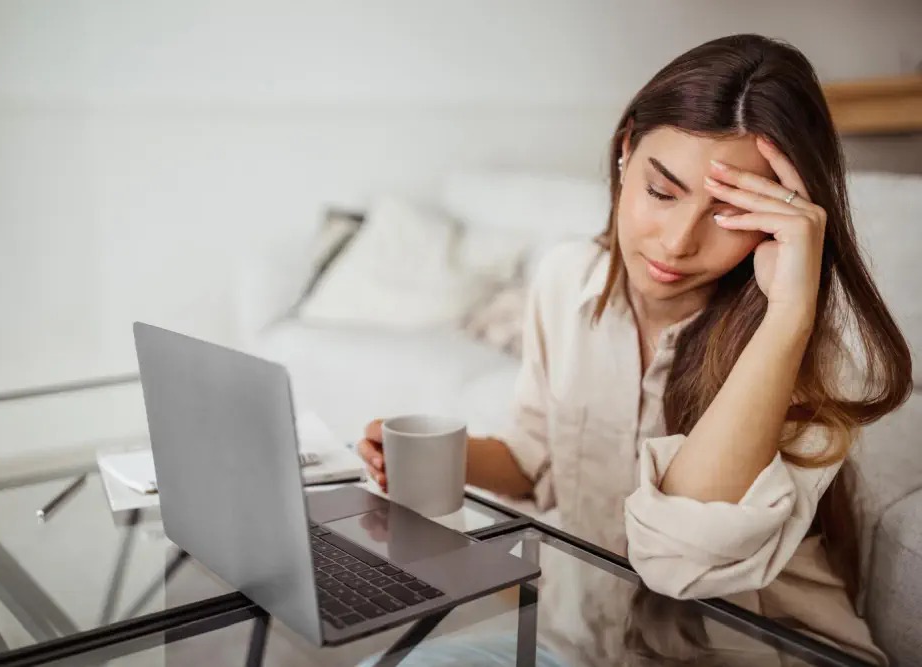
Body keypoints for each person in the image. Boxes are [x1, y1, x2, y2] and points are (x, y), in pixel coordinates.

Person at [356, 34, 913, 667]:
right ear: (626, 152)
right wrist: (430, 458)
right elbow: (536, 457)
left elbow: (680, 557)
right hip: (582, 643)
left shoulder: (807, 351)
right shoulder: (567, 277)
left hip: (752, 654)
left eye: (730, 214)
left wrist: (787, 315)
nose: (677, 243)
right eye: (662, 192)